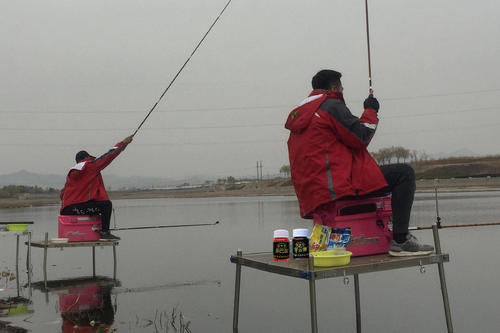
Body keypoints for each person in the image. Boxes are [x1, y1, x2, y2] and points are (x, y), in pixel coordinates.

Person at [285, 69, 433, 256]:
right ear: (333, 86)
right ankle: (401, 239)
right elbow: (361, 136)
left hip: (314, 193)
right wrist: (371, 109)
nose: (342, 89)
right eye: (341, 86)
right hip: (338, 187)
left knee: (384, 175)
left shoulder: (302, 117)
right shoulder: (330, 106)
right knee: (404, 173)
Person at [60, 135, 134, 240]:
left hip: (67, 209)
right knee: (106, 205)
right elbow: (108, 156)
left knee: (97, 208)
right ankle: (104, 232)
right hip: (74, 208)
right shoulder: (89, 167)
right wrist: (123, 143)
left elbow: (62, 194)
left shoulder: (72, 173)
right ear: (86, 158)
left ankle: (97, 231)